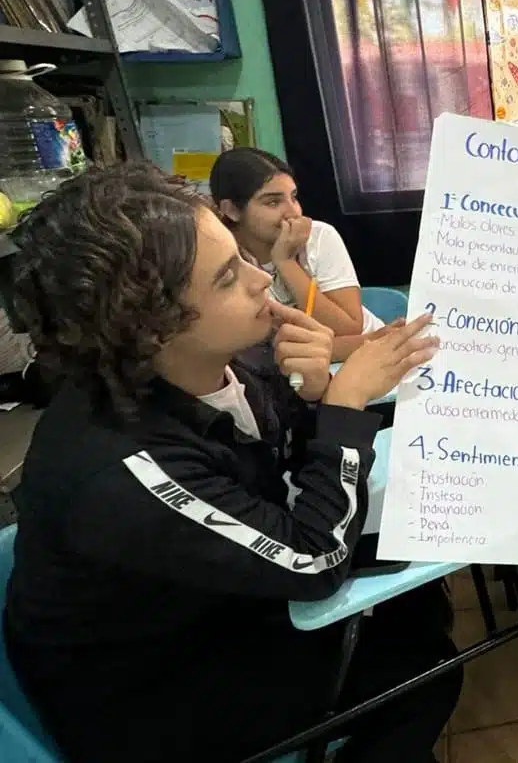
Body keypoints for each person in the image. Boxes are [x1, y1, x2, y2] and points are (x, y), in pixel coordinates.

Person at [3, 163, 458, 763]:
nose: (259, 277)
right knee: (426, 673)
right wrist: (346, 404)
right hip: (148, 695)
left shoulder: (225, 361)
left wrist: (315, 394)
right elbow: (314, 560)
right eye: (226, 278)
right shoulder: (119, 464)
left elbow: (276, 468)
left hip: (201, 605)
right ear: (148, 328)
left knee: (417, 601)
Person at [209, 147, 385, 343]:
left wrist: (286, 262)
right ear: (232, 210)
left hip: (369, 351)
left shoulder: (318, 236)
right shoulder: (222, 259)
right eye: (273, 203)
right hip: (356, 347)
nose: (293, 212)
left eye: (293, 197)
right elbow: (267, 356)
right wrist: (367, 342)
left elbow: (348, 328)